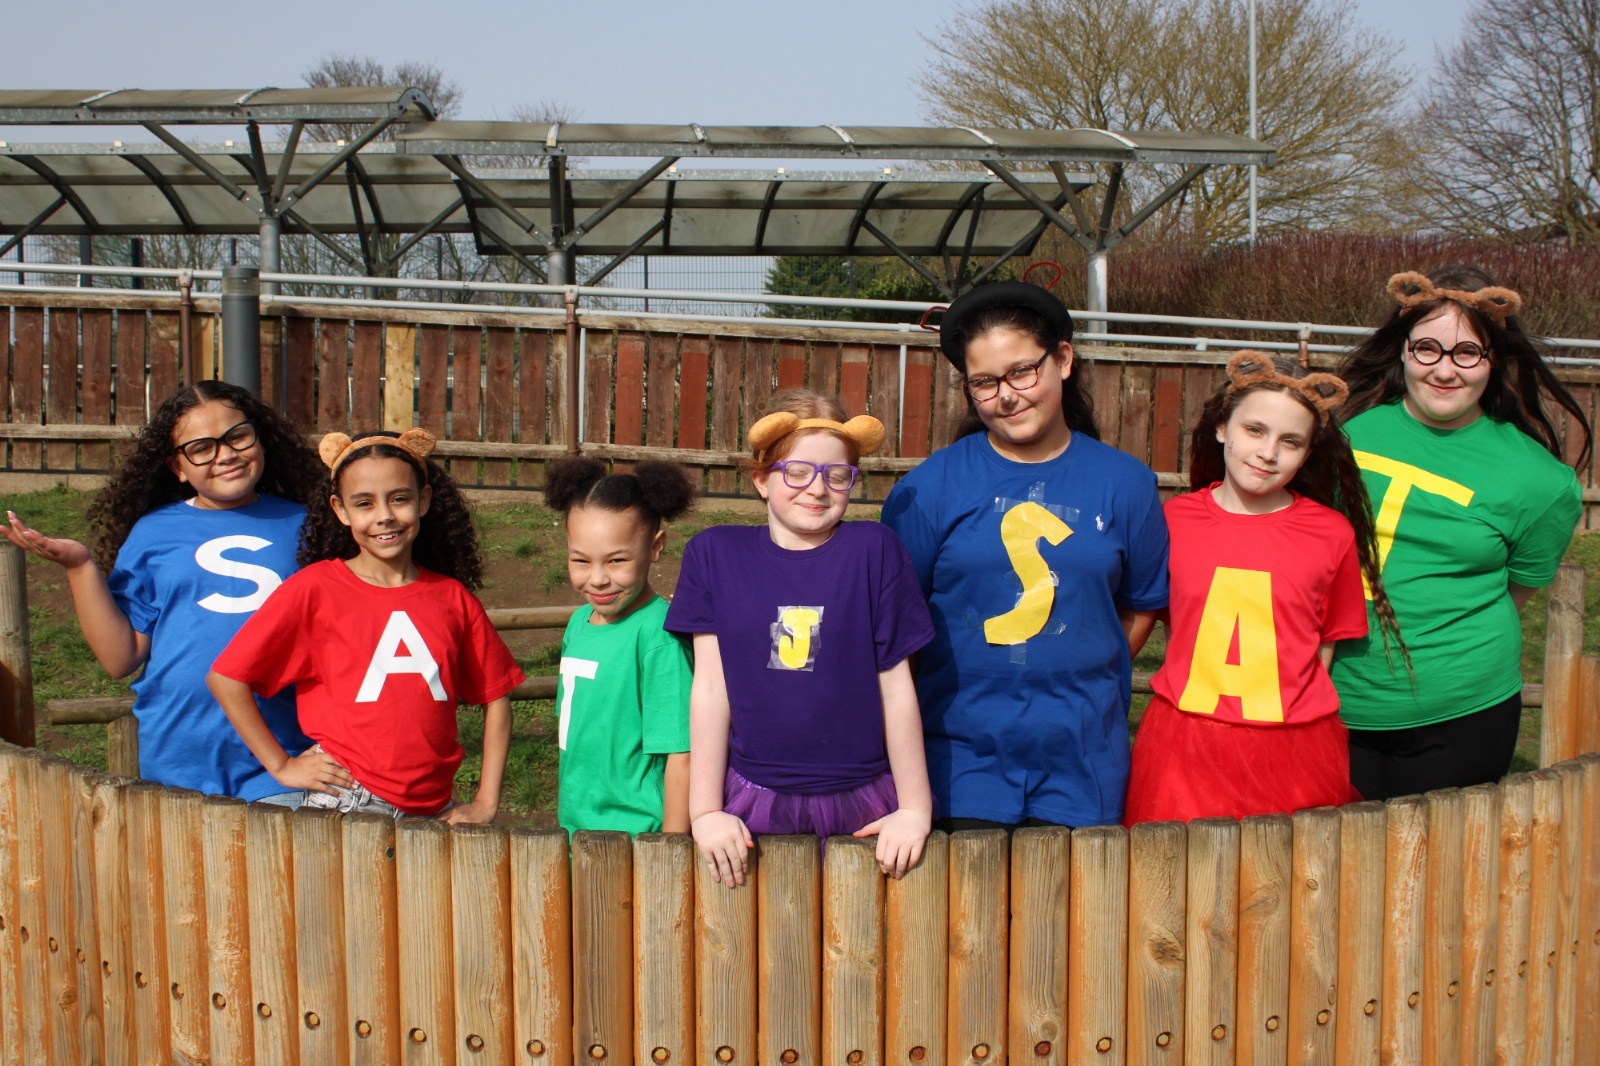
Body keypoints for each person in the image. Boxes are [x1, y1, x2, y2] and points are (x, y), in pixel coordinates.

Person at [881, 280, 1169, 830]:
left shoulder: (1127, 484)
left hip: (1084, 763)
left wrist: (1078, 672)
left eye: (1021, 372)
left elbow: (1140, 605)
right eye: (985, 382)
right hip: (958, 764)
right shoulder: (926, 490)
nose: (1007, 395)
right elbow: (898, 630)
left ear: (1063, 359)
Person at [1333, 267, 1589, 800]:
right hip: (1330, 700)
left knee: (1441, 853)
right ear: (1402, 349)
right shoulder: (1340, 432)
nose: (1445, 370)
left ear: (1495, 360)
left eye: (1468, 353)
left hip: (1461, 712)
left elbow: (1516, 592)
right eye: (1427, 348)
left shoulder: (1541, 482)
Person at [3, 381, 323, 803]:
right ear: (178, 467)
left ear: (261, 439)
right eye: (201, 448)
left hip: (283, 761)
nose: (226, 454)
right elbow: (120, 658)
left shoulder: (311, 527)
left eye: (237, 436)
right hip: (177, 763)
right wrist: (79, 566)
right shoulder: (153, 533)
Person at [667, 389, 936, 885]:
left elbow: (897, 689)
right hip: (752, 798)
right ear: (761, 480)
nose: (817, 489)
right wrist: (704, 811)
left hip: (864, 799)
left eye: (837, 475)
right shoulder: (714, 555)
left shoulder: (874, 551)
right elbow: (710, 688)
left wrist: (915, 808)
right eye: (796, 471)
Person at [1123, 352, 1401, 823]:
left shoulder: (1331, 533)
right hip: (1184, 742)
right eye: (1254, 430)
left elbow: (1325, 644)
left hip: (1293, 745)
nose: (1268, 452)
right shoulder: (1173, 521)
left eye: (1290, 441)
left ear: (1308, 452)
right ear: (1221, 428)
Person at [208, 429, 525, 822]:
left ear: (424, 500)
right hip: (347, 802)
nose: (384, 515)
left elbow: (497, 698)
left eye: (399, 498)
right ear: (340, 510)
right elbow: (226, 678)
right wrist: (282, 766)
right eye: (364, 503)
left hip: (435, 809)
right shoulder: (314, 590)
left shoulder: (453, 598)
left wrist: (486, 802)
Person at [544, 457, 696, 835]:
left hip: (638, 836)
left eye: (616, 561)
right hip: (575, 826)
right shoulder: (579, 623)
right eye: (580, 560)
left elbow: (681, 753)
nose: (597, 579)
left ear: (655, 547)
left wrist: (670, 848)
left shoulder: (658, 636)